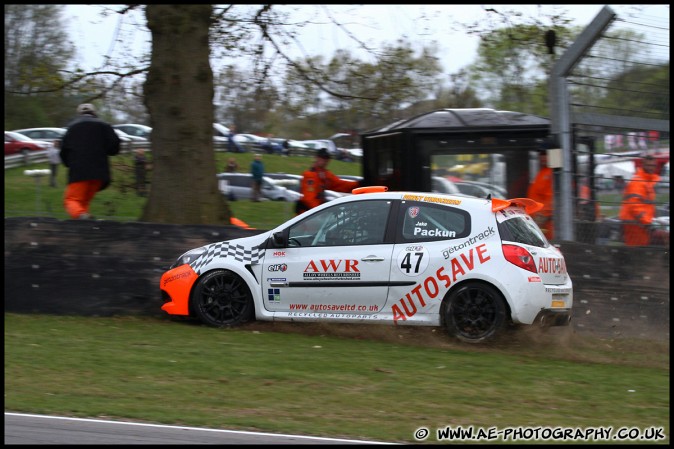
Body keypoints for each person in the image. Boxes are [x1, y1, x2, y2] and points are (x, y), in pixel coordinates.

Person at [60, 103, 121, 219]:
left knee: (71, 200)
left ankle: (82, 218)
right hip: (99, 173)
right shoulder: (104, 126)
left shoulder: (72, 128)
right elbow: (114, 147)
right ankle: (86, 227)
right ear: (94, 113)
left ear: (79, 113)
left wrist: (69, 163)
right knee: (83, 202)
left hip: (79, 172)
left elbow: (64, 151)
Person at [296, 148, 361, 214]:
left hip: (315, 212)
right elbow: (309, 199)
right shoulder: (309, 175)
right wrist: (321, 212)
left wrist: (358, 184)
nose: (325, 160)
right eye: (323, 157)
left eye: (327, 158)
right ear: (317, 158)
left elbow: (340, 185)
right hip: (306, 214)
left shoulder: (326, 175)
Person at [619, 155, 660, 246]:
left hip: (640, 222)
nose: (651, 168)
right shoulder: (638, 182)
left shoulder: (646, 181)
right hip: (634, 223)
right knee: (638, 250)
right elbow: (634, 206)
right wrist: (647, 222)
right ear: (643, 165)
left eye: (653, 165)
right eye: (648, 165)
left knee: (642, 249)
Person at [527, 147, 554, 240]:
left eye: (545, 154)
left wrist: (542, 216)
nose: (542, 157)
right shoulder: (542, 172)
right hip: (538, 220)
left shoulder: (552, 173)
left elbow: (552, 199)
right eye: (541, 154)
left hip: (546, 223)